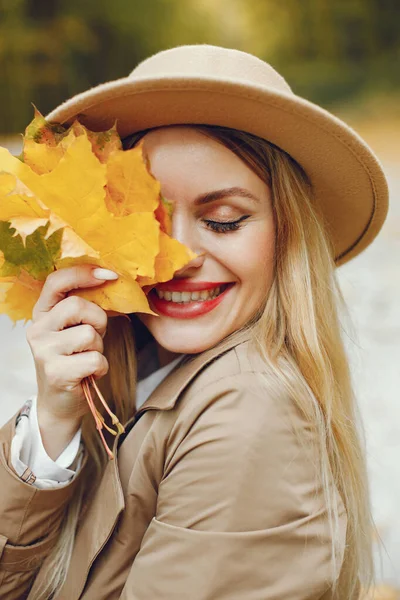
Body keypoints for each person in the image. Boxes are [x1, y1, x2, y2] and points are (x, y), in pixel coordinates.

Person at [0, 44, 389, 600]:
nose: (177, 254)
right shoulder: (131, 374)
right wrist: (52, 426)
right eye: (150, 218)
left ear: (288, 238)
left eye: (224, 220)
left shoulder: (248, 413)